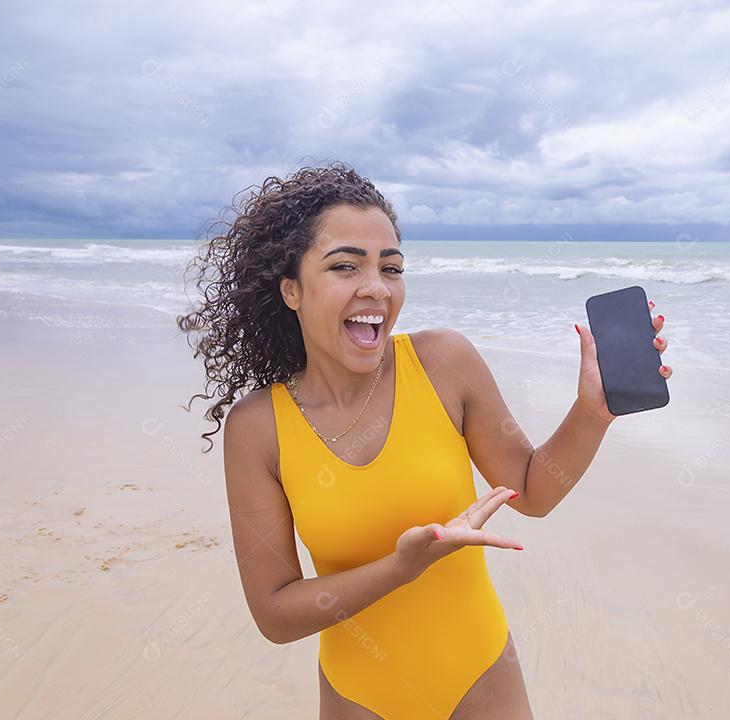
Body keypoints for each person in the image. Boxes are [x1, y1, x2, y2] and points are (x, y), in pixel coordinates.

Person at [178, 162, 673, 719]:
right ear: (291, 289)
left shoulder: (442, 363)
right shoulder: (257, 427)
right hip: (360, 697)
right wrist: (400, 567)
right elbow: (274, 613)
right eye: (345, 266)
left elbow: (532, 492)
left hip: (483, 679)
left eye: (391, 267)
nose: (376, 288)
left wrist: (592, 412)